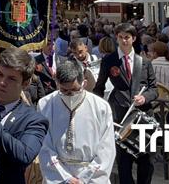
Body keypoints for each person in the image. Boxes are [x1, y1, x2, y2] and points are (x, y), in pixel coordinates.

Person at [0, 48, 49, 184]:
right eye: (0, 74)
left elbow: (24, 155)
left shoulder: (34, 120)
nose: (2, 82)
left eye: (12, 78)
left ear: (25, 84)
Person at [94, 23, 157, 184]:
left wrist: (145, 98)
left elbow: (154, 89)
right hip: (120, 116)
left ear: (134, 38)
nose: (124, 41)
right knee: (123, 162)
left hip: (142, 116)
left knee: (146, 160)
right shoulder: (109, 60)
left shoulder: (144, 61)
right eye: (120, 37)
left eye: (127, 37)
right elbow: (99, 87)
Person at [39, 61, 116, 184]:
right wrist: (66, 179)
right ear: (57, 84)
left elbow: (106, 149)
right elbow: (44, 146)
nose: (70, 95)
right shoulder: (45, 105)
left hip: (91, 177)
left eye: (75, 90)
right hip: (58, 176)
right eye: (64, 91)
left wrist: (84, 179)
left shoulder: (101, 107)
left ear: (84, 83)